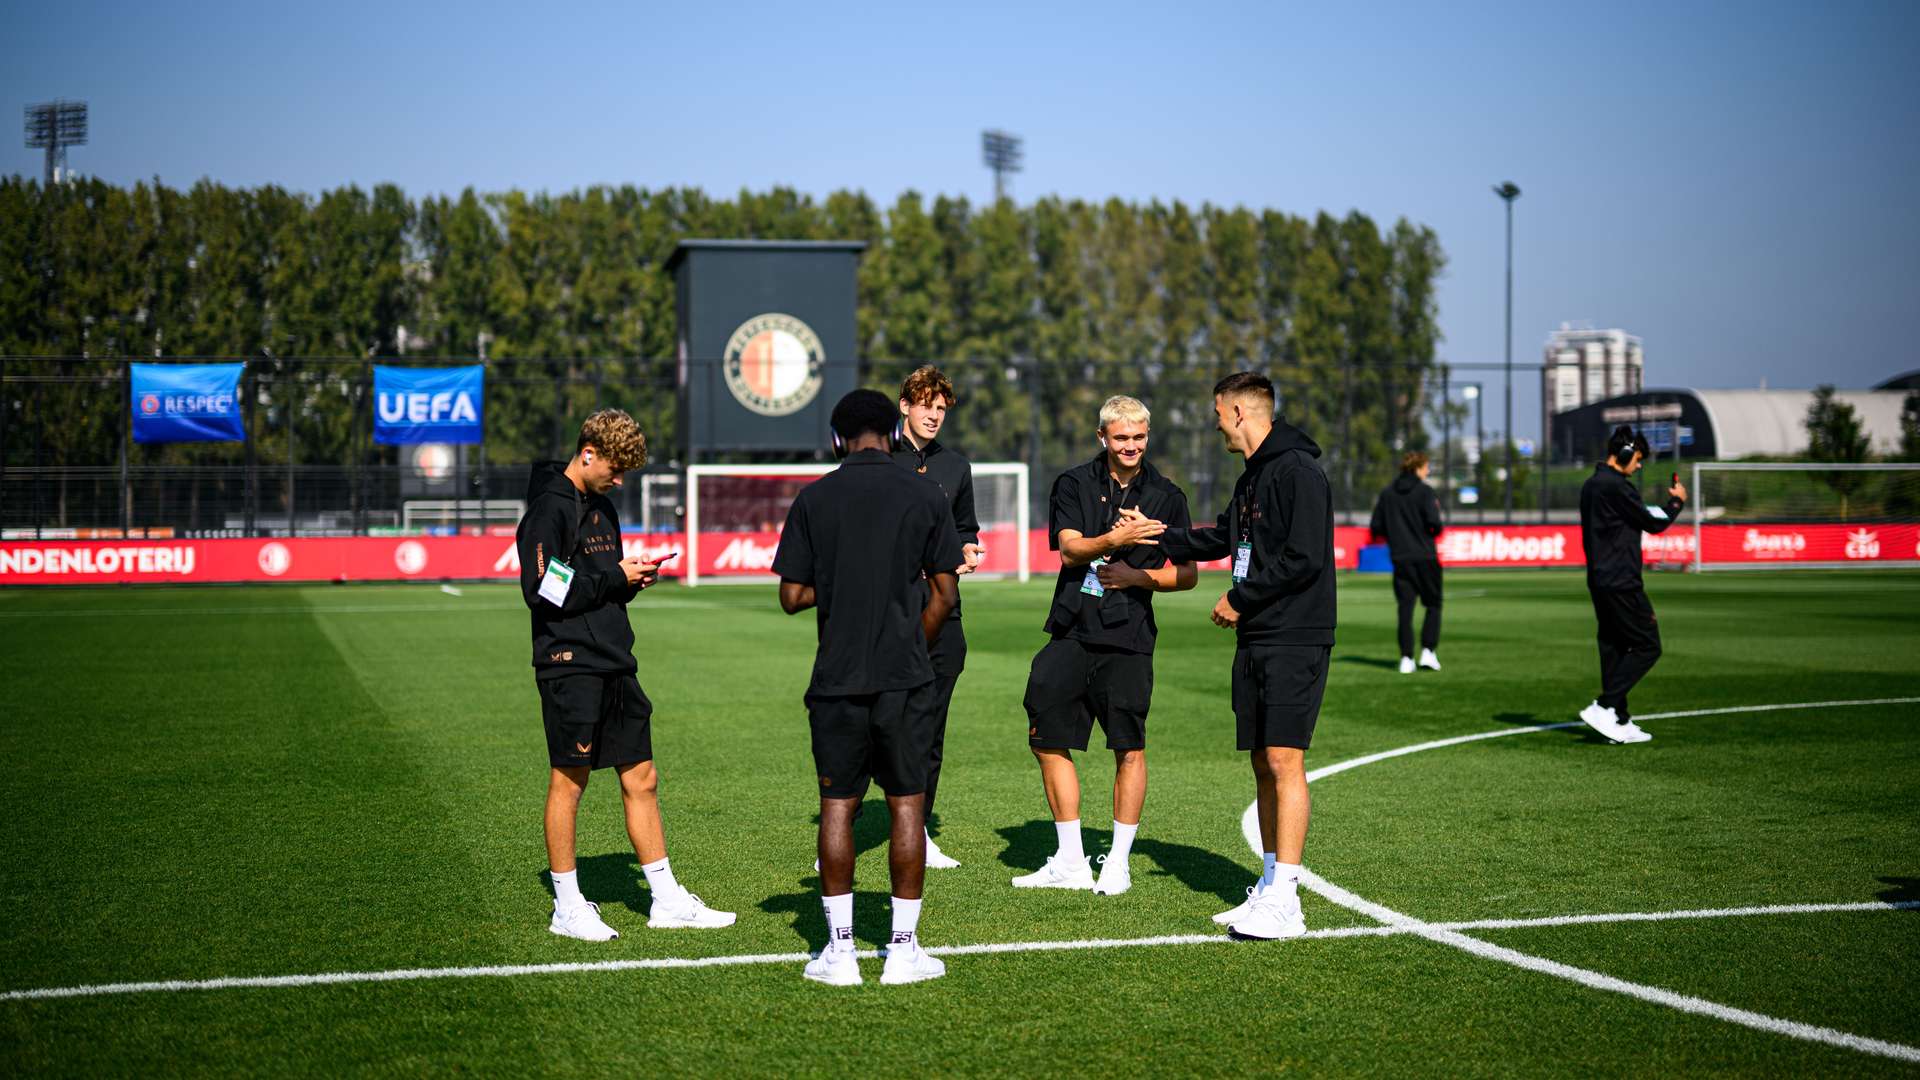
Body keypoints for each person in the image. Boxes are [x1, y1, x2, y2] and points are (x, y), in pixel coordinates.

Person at [517, 408, 735, 942]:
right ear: (587, 452)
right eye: (615, 469)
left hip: (615, 659)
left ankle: (665, 899)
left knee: (643, 777)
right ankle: (567, 908)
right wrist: (614, 576)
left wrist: (630, 579)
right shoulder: (549, 507)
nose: (620, 480)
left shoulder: (603, 508)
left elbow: (594, 581)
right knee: (569, 781)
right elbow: (543, 589)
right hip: (570, 664)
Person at [1134, 371, 1335, 941]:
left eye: (1219, 413)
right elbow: (1225, 536)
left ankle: (1288, 901)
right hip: (1259, 636)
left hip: (1294, 634)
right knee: (1261, 761)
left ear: (1241, 413)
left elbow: (1303, 559)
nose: (1216, 422)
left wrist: (1240, 599)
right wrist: (1155, 537)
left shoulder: (1298, 471)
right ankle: (1270, 885)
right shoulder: (1254, 475)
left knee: (1283, 761)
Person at [775, 388, 965, 987]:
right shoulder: (925, 492)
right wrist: (910, 640)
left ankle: (840, 953)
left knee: (838, 805)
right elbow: (945, 593)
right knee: (907, 803)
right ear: (890, 432)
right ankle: (903, 951)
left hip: (836, 677)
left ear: (837, 438)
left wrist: (840, 588)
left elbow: (790, 597)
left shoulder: (814, 498)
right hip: (907, 676)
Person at [1014, 395, 1196, 896]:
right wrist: (1118, 538)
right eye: (1121, 437)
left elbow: (1186, 575)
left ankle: (1117, 861)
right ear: (1103, 438)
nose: (1132, 445)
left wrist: (1137, 575)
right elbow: (1071, 549)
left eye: (1139, 436)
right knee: (1045, 736)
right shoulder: (1073, 483)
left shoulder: (1167, 495)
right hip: (1071, 628)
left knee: (1129, 749)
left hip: (1129, 637)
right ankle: (1071, 859)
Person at [891, 366, 984, 870]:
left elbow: (965, 528)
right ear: (904, 405)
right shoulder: (879, 461)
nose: (933, 414)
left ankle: (919, 831)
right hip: (889, 619)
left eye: (941, 407)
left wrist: (969, 549)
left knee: (931, 730)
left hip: (944, 617)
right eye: (924, 404)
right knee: (871, 726)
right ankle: (839, 827)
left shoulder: (956, 467)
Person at [1577, 425, 1686, 744]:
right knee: (1648, 645)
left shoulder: (1592, 485)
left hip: (1599, 579)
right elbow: (1653, 523)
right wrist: (1676, 503)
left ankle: (1619, 720)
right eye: (1637, 459)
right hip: (1622, 581)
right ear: (1624, 454)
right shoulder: (1616, 487)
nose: (1638, 465)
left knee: (1614, 647)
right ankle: (1605, 705)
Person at [1368, 451, 1445, 674]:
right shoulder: (1424, 491)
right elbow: (1435, 524)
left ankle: (1406, 658)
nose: (1428, 471)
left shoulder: (1387, 493)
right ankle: (1428, 652)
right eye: (1427, 467)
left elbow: (1376, 527)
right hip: (1425, 557)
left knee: (1405, 608)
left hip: (1400, 558)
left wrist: (1396, 535)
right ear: (1419, 468)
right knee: (1433, 604)